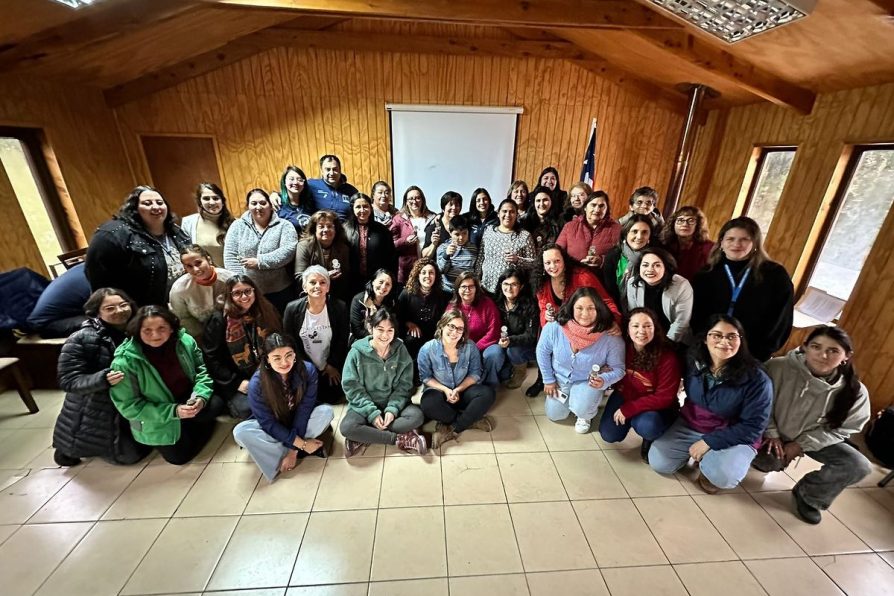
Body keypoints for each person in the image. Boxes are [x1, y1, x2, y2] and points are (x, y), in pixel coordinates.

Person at [753, 326, 871, 524]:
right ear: (804, 347)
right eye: (816, 347)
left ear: (846, 356)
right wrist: (772, 433)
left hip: (814, 439)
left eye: (833, 351)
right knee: (767, 463)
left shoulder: (855, 391)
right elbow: (759, 403)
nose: (823, 355)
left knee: (858, 465)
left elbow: (846, 428)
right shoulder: (777, 367)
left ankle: (810, 495)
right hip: (772, 433)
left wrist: (801, 445)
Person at [649, 315, 772, 493]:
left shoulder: (757, 380)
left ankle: (711, 466)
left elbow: (753, 427)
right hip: (693, 422)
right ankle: (703, 455)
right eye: (717, 335)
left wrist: (710, 442)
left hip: (734, 434)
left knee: (722, 476)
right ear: (705, 339)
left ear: (741, 341)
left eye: (732, 336)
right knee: (659, 463)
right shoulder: (694, 360)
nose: (724, 342)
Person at [110, 305, 224, 465]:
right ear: (137, 331)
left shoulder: (185, 341)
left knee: (215, 405)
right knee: (179, 458)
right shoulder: (124, 362)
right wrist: (174, 411)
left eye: (161, 328)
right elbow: (129, 407)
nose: (155, 335)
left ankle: (191, 422)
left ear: (171, 328)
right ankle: (186, 425)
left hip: (187, 397)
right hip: (158, 411)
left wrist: (200, 396)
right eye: (147, 330)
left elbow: (202, 371)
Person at [52, 288, 151, 466]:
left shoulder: (139, 329)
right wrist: (101, 379)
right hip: (99, 405)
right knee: (130, 457)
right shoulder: (82, 338)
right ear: (97, 312)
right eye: (110, 308)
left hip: (131, 398)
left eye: (123, 305)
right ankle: (68, 449)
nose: (119, 311)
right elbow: (68, 380)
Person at [233, 333, 334, 482]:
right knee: (240, 433)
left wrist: (292, 451)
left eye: (289, 355)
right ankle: (302, 450)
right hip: (275, 423)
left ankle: (278, 451)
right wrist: (303, 444)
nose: (284, 362)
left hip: (298, 420)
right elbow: (268, 423)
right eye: (277, 358)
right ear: (267, 359)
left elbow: (304, 411)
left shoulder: (308, 370)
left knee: (326, 412)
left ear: (295, 354)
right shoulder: (257, 384)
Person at [691, 216, 794, 362]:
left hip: (752, 354)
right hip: (711, 351)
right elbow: (696, 316)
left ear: (755, 243)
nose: (736, 244)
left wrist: (759, 353)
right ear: (721, 242)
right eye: (730, 239)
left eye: (744, 239)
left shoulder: (775, 275)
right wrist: (706, 345)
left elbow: (781, 320)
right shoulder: (706, 274)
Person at [529, 244, 622, 397]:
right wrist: (546, 316)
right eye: (548, 263)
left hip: (585, 324)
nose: (553, 266)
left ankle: (591, 386)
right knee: (544, 339)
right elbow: (543, 307)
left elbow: (606, 301)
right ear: (542, 264)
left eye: (557, 261)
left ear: (564, 260)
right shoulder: (541, 282)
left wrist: (614, 321)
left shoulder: (582, 276)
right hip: (560, 326)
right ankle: (544, 378)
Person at [536, 287, 625, 434]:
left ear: (599, 309)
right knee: (555, 414)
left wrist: (603, 379)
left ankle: (585, 414)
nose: (585, 314)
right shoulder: (555, 327)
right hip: (560, 379)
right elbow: (542, 351)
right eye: (579, 308)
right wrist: (548, 379)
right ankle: (573, 400)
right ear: (571, 308)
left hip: (587, 381)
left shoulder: (610, 336)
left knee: (581, 408)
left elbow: (618, 369)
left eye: (591, 308)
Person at [340, 308, 427, 456]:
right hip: (365, 405)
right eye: (380, 329)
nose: (385, 335)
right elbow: (352, 387)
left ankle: (365, 435)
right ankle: (399, 439)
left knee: (417, 417)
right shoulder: (356, 352)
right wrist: (372, 413)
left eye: (390, 330)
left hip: (393, 403)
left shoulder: (400, 350)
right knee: (347, 427)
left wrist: (392, 409)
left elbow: (404, 386)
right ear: (370, 328)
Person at [85, 185, 190, 306]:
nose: (156, 207)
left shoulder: (176, 231)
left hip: (181, 304)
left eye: (160, 202)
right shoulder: (111, 234)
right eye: (147, 203)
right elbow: (100, 283)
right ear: (134, 208)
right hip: (144, 311)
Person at [598, 307, 680, 461]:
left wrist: (629, 409)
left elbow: (665, 397)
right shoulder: (622, 347)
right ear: (627, 329)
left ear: (655, 328)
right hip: (625, 395)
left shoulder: (667, 357)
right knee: (609, 434)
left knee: (646, 425)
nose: (641, 331)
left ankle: (650, 438)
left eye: (648, 326)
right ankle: (630, 420)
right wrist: (607, 372)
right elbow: (616, 373)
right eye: (635, 326)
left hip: (655, 406)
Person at [202, 275, 281, 419]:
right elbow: (211, 359)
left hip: (267, 368)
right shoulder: (219, 319)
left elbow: (279, 339)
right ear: (229, 295)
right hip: (236, 377)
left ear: (254, 291)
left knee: (284, 397)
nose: (244, 297)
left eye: (247, 291)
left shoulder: (266, 310)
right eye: (237, 293)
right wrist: (236, 382)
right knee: (247, 408)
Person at [419, 310, 497, 449]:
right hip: (440, 392)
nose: (455, 332)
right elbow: (425, 377)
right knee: (427, 404)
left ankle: (452, 428)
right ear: (442, 325)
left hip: (463, 391)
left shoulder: (470, 347)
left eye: (460, 329)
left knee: (487, 393)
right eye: (451, 326)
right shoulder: (427, 349)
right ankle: (470, 420)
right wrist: (446, 390)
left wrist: (458, 390)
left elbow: (475, 373)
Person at [223, 188, 298, 314]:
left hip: (281, 290)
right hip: (249, 293)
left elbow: (288, 251)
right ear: (248, 206)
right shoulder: (237, 226)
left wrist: (260, 262)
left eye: (263, 203)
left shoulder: (284, 225)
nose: (259, 207)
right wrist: (241, 284)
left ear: (270, 205)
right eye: (254, 203)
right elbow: (230, 256)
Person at [283, 266, 349, 404]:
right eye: (312, 282)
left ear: (328, 287)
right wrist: (307, 367)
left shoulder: (340, 307)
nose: (318, 286)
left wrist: (330, 365)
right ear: (304, 286)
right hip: (304, 365)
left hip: (330, 365)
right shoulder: (291, 309)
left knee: (333, 397)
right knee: (305, 398)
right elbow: (290, 343)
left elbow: (341, 340)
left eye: (323, 282)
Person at [622, 247, 693, 345]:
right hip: (645, 335)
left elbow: (681, 322)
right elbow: (635, 316)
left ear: (666, 267)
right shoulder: (632, 284)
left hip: (674, 339)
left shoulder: (681, 285)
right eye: (645, 265)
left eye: (657, 265)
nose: (650, 270)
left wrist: (666, 344)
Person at [483, 268, 538, 389]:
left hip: (521, 346)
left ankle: (520, 371)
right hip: (499, 342)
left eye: (514, 284)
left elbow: (531, 335)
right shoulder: (495, 302)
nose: (509, 288)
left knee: (513, 350)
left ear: (521, 286)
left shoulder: (530, 305)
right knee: (501, 370)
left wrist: (511, 340)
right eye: (506, 284)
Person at [169, 245, 234, 339]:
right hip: (202, 336)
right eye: (189, 266)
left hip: (233, 329)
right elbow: (183, 319)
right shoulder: (179, 289)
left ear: (208, 259)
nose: (196, 269)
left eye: (198, 263)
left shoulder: (230, 279)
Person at [397, 258, 451, 367]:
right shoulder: (406, 294)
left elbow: (448, 318)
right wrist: (408, 323)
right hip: (413, 336)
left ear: (436, 276)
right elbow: (398, 317)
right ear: (418, 275)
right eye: (424, 272)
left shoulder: (444, 296)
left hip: (434, 335)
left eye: (431, 273)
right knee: (411, 340)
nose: (427, 276)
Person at [476, 199, 536, 295]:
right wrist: (477, 278)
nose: (508, 215)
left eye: (512, 212)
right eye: (504, 211)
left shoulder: (524, 236)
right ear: (498, 213)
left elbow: (534, 264)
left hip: (510, 292)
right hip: (486, 288)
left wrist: (518, 260)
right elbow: (481, 257)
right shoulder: (489, 231)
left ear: (517, 215)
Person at [343, 192, 397, 297]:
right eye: (358, 207)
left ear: (371, 208)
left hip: (377, 282)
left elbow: (392, 258)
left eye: (365, 206)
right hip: (351, 282)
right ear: (352, 209)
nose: (362, 210)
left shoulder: (382, 230)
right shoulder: (344, 230)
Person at [294, 210, 352, 302]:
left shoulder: (343, 248)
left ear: (335, 229)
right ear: (314, 230)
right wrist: (324, 276)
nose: (326, 230)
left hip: (336, 296)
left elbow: (347, 276)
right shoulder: (304, 246)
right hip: (310, 297)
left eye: (329, 226)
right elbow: (299, 277)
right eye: (321, 227)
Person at [557, 190, 620, 270]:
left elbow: (620, 257)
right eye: (593, 205)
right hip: (573, 274)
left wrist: (601, 261)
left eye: (601, 206)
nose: (597, 210)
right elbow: (557, 251)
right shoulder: (570, 226)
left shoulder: (616, 229)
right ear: (585, 207)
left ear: (606, 209)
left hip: (601, 277)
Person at [26, 262, 90, 338]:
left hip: (63, 315)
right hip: (49, 324)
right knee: (103, 322)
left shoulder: (86, 267)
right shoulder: (94, 277)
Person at [602, 214, 653, 304]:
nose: (639, 236)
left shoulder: (654, 257)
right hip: (616, 305)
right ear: (626, 234)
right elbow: (608, 289)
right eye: (634, 231)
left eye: (644, 232)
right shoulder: (613, 255)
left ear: (649, 237)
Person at [180, 182, 234, 267]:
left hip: (231, 276)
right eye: (206, 198)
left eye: (216, 198)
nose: (212, 202)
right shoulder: (188, 223)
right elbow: (187, 255)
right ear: (200, 202)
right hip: (204, 276)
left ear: (222, 202)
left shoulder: (234, 223)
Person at [390, 185, 436, 284]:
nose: (414, 201)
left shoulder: (433, 218)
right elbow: (391, 245)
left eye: (418, 198)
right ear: (406, 202)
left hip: (428, 269)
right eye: (411, 198)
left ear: (422, 200)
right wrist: (405, 240)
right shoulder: (398, 219)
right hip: (407, 269)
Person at [449, 272, 501, 356]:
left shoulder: (487, 304)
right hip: (460, 348)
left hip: (484, 347)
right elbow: (446, 331)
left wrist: (474, 349)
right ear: (457, 289)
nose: (467, 290)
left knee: (495, 353)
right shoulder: (452, 306)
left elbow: (494, 331)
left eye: (471, 286)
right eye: (463, 287)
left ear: (476, 288)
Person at [660, 206, 713, 281]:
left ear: (698, 225)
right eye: (680, 220)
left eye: (691, 220)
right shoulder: (664, 245)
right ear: (673, 224)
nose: (685, 224)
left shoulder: (708, 248)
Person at [306, 154, 359, 221]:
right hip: (321, 228)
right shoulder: (311, 185)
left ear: (340, 170)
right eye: (328, 169)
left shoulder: (351, 191)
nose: (332, 173)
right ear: (322, 171)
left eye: (335, 169)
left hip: (344, 229)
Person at [349, 268, 398, 340]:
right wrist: (377, 340)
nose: (383, 286)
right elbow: (357, 330)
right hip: (362, 340)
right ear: (373, 282)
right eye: (381, 282)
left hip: (386, 339)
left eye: (388, 284)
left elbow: (395, 328)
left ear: (391, 288)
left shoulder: (393, 303)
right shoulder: (358, 300)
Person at [436, 215, 478, 293]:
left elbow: (475, 270)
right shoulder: (443, 247)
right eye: (457, 234)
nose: (461, 237)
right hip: (448, 290)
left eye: (464, 233)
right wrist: (446, 255)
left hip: (466, 290)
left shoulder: (474, 248)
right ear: (450, 233)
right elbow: (441, 270)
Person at [523, 186, 563, 256]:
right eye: (538, 200)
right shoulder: (525, 222)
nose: (541, 204)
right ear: (534, 203)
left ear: (551, 201)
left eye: (545, 200)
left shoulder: (559, 223)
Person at [422, 191, 462, 259]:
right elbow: (425, 256)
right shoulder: (433, 228)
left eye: (457, 205)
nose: (454, 207)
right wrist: (434, 244)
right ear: (443, 208)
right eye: (451, 204)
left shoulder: (464, 225)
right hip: (439, 268)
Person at [273, 165, 313, 231]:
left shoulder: (309, 202)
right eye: (291, 179)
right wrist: (273, 194)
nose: (295, 182)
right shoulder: (277, 203)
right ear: (284, 182)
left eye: (300, 180)